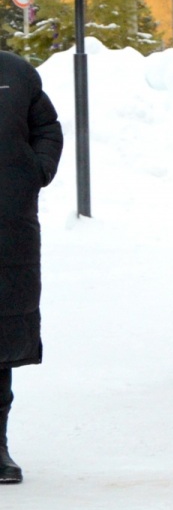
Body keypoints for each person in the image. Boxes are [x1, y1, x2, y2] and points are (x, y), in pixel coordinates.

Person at [0, 47, 63, 485]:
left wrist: (34, 171)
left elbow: (47, 127)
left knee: (0, 339)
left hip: (8, 226)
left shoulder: (15, 72)